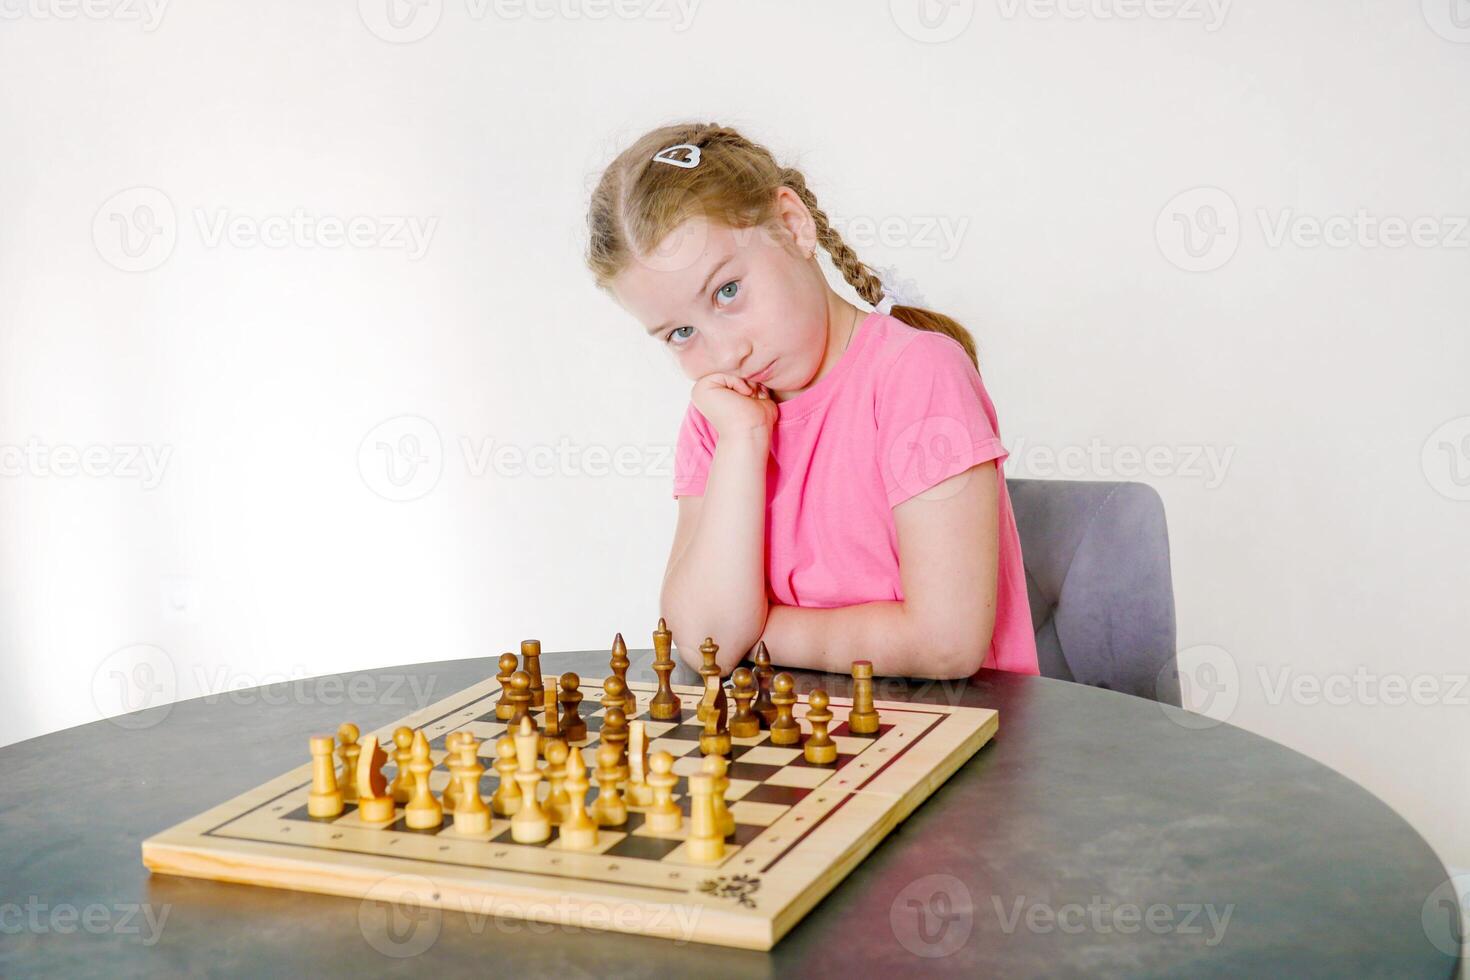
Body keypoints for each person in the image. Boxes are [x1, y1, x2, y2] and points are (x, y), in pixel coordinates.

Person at [585, 122, 1038, 680]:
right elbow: (705, 641)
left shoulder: (916, 374)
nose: (727, 353)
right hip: (790, 750)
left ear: (793, 226)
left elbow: (946, 643)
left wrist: (755, 634)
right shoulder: (720, 420)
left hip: (956, 742)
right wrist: (745, 442)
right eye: (680, 333)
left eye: (728, 291)